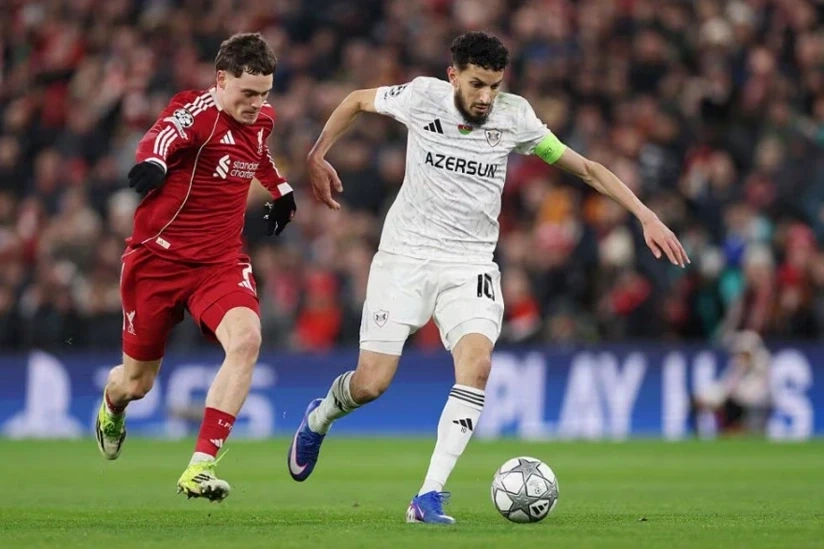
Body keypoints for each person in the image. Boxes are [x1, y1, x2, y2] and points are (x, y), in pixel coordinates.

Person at [288, 31, 689, 524]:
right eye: (477, 83)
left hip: (470, 263)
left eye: (495, 86)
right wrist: (317, 153)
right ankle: (320, 417)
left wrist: (645, 214)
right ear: (453, 75)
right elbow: (355, 100)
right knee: (371, 384)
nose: (485, 96)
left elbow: (585, 169)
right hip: (404, 258)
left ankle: (427, 496)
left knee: (476, 367)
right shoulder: (421, 96)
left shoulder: (515, 117)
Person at [94, 32, 297, 502]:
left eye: (265, 93)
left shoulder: (261, 119)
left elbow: (258, 153)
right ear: (221, 79)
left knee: (246, 340)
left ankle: (200, 467)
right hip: (157, 261)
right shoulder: (196, 112)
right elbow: (161, 136)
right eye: (248, 92)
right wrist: (153, 163)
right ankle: (112, 403)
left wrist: (281, 190)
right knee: (137, 383)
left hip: (220, 262)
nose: (257, 103)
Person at [693, 331, 772, 436]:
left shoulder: (763, 363)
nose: (742, 355)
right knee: (707, 398)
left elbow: (760, 391)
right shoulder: (738, 363)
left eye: (745, 352)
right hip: (736, 401)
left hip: (755, 405)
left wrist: (736, 392)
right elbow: (726, 385)